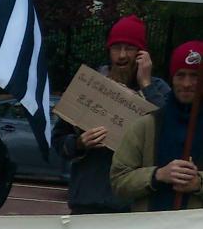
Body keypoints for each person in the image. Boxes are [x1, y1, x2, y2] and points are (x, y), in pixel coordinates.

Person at [53, 15, 171, 214]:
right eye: (117, 48)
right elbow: (58, 142)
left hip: (131, 209)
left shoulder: (158, 90)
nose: (122, 55)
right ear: (109, 51)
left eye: (130, 48)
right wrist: (79, 143)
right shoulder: (90, 85)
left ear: (142, 54)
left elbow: (170, 133)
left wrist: (146, 85)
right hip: (87, 204)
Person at [111, 41, 203, 211]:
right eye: (180, 75)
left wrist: (199, 183)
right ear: (172, 78)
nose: (187, 84)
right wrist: (157, 175)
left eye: (195, 75)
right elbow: (118, 181)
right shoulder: (145, 126)